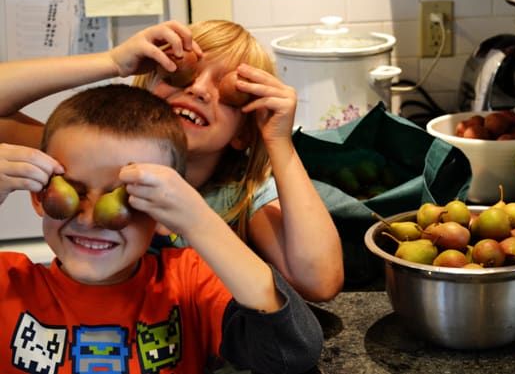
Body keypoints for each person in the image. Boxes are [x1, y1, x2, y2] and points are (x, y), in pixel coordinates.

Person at [0, 19, 343, 302]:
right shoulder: (87, 158)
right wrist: (111, 62)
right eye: (180, 73)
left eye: (228, 93)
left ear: (243, 134)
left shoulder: (240, 195)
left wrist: (278, 141)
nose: (198, 90)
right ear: (146, 89)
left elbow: (319, 280)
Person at [0, 84, 323, 373]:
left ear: (164, 213)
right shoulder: (9, 284)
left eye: (126, 198)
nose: (90, 220)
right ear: (39, 197)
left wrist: (197, 219)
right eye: (74, 191)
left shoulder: (188, 285)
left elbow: (291, 351)